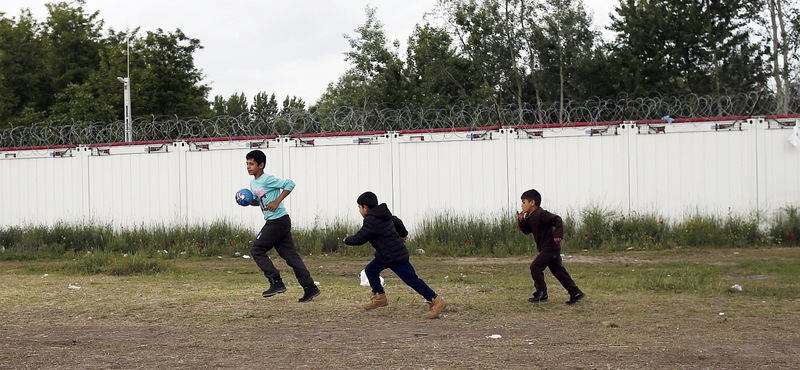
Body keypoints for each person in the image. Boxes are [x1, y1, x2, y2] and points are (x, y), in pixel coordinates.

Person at [343, 191, 446, 319]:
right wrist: (403, 234)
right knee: (371, 270)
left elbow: (361, 237)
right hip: (385, 255)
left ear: (365, 207)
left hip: (394, 256)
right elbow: (397, 221)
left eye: (359, 207)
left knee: (412, 280)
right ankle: (379, 297)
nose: (359, 211)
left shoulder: (371, 220)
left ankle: (436, 300)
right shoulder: (383, 215)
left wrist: (347, 240)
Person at [241, 149, 320, 303]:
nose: (248, 167)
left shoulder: (267, 179)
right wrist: (247, 201)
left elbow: (290, 184)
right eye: (247, 164)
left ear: (261, 165)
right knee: (291, 257)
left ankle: (276, 282)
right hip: (277, 221)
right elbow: (260, 202)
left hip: (277, 221)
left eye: (252, 164)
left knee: (257, 249)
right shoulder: (253, 183)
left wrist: (277, 201)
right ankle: (310, 287)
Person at [517, 189, 585, 305]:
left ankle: (541, 292)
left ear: (532, 202)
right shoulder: (530, 216)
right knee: (559, 272)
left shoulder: (541, 214)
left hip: (550, 248)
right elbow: (527, 231)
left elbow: (557, 220)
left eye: (524, 202)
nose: (522, 205)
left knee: (535, 267)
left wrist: (558, 235)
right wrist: (521, 221)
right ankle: (575, 292)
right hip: (547, 249)